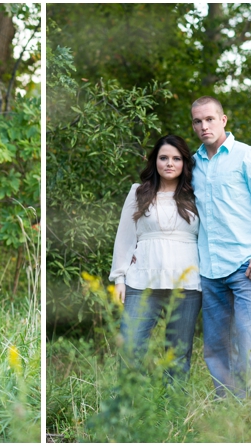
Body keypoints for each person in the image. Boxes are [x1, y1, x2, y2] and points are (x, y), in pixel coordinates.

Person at [190, 96, 251, 398]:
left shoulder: (248, 156)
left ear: (223, 120)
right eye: (197, 121)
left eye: (209, 119)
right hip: (210, 270)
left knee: (249, 344)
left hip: (249, 267)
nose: (204, 126)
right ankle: (227, 413)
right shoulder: (192, 164)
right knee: (216, 348)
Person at [109, 135, 202, 382]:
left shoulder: (197, 195)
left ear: (184, 163)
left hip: (187, 283)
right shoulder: (138, 193)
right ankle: (126, 414)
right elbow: (125, 238)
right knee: (130, 350)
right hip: (142, 281)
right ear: (155, 161)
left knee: (178, 357)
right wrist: (119, 277)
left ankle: (173, 417)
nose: (169, 163)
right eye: (163, 158)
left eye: (176, 158)